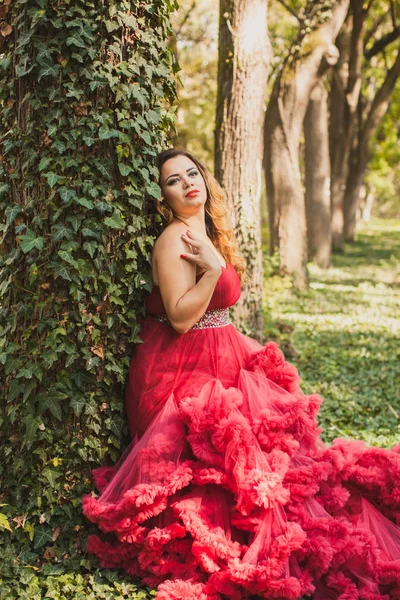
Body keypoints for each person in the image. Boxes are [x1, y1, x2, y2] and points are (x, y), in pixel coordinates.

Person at [82, 149, 400, 600]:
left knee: (282, 464)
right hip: (177, 369)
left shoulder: (206, 230)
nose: (189, 183)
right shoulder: (173, 239)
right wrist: (212, 271)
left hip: (223, 353)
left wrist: (215, 264)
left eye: (193, 173)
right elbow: (179, 318)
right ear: (162, 197)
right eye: (174, 180)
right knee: (226, 463)